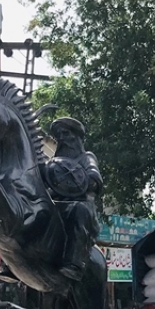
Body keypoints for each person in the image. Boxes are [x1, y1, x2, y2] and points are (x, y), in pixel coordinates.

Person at [41, 117, 103, 281]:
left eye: (66, 133)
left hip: (80, 205)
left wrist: (87, 181)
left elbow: (93, 178)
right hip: (56, 205)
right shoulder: (53, 164)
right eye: (59, 135)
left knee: (79, 210)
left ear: (76, 137)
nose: (62, 138)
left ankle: (74, 263)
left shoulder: (86, 158)